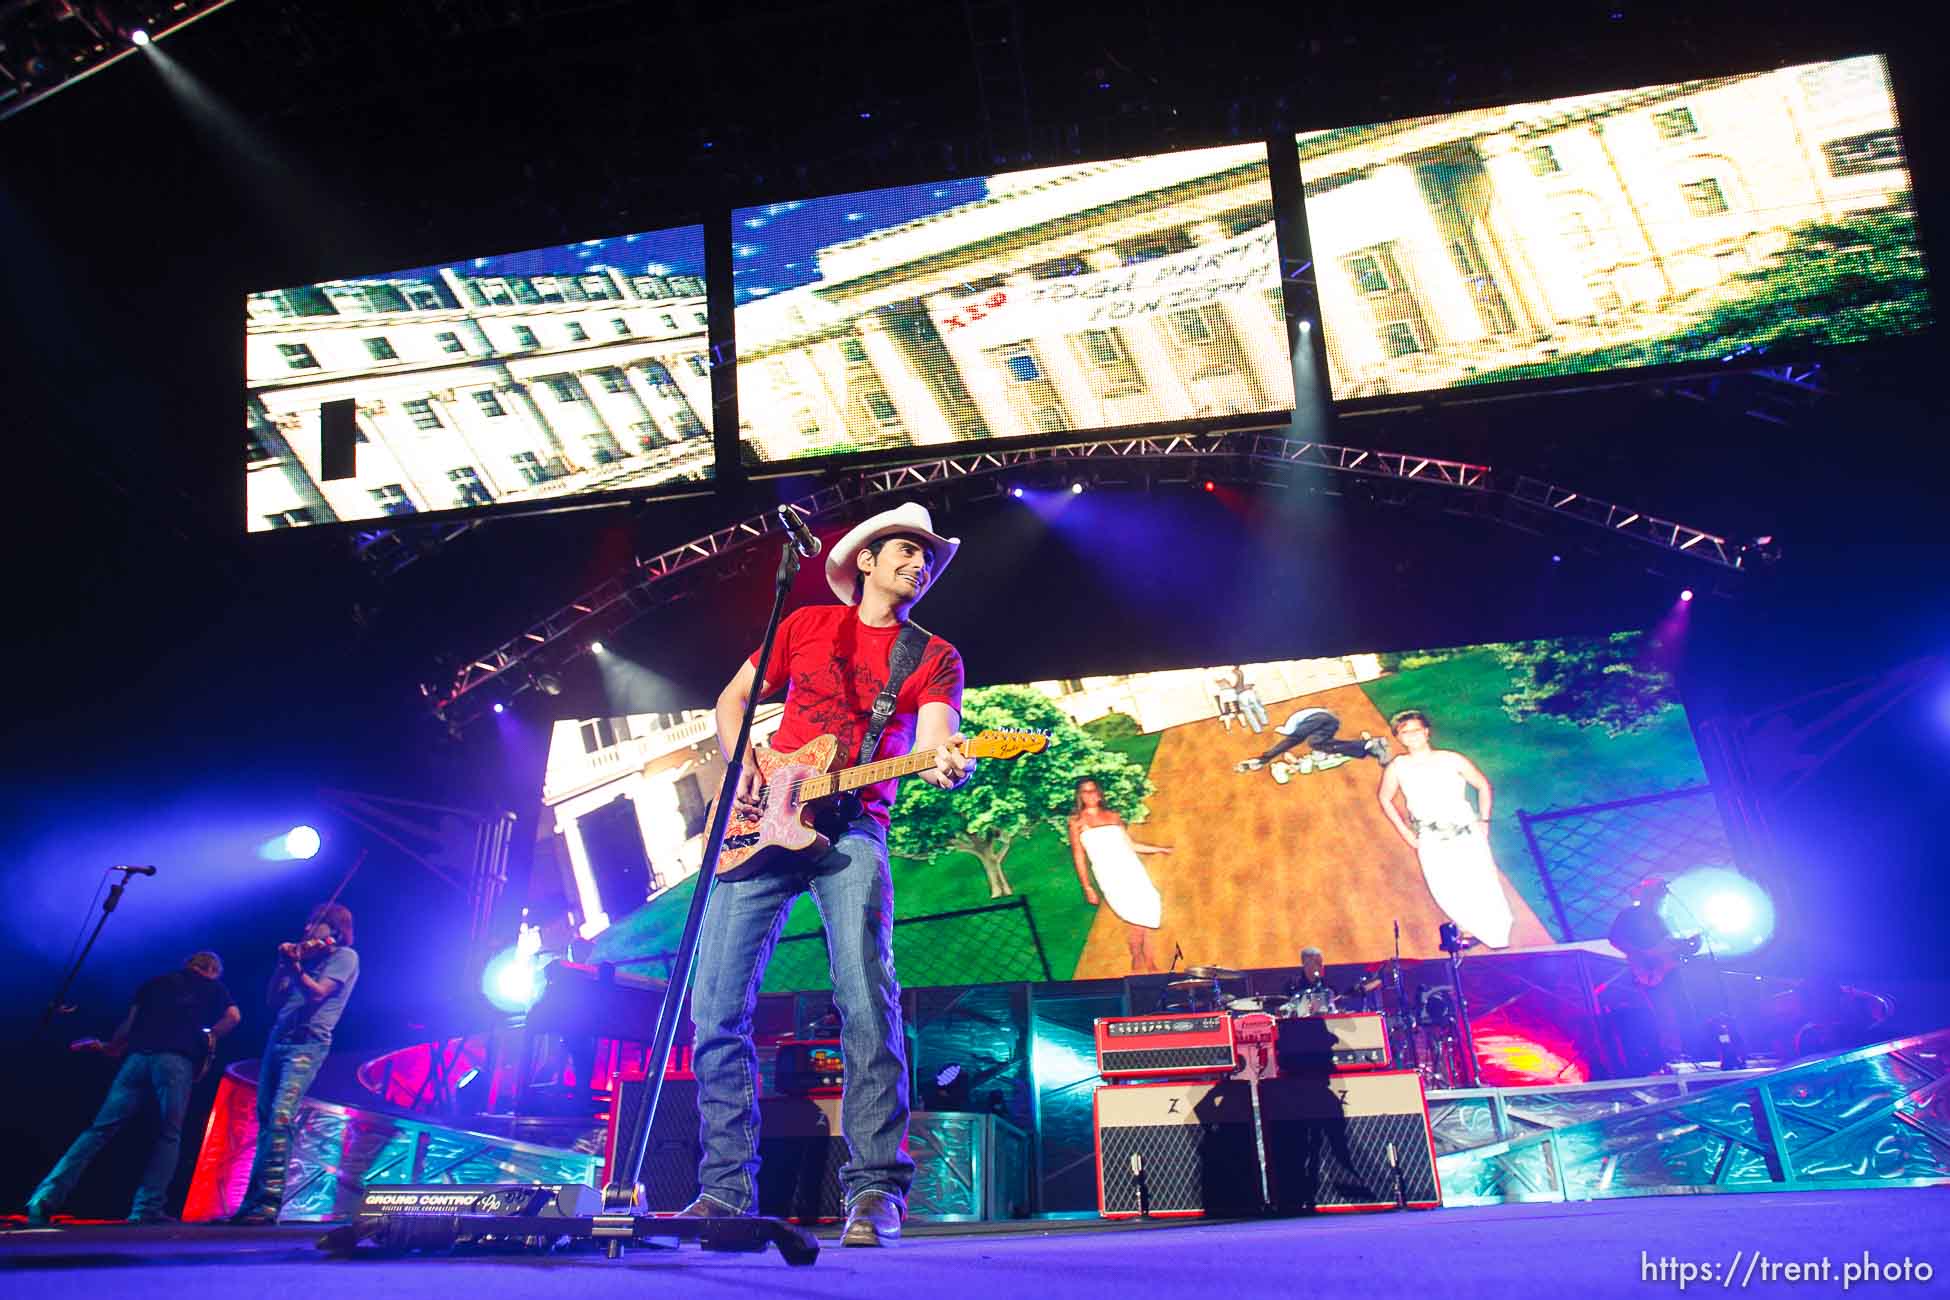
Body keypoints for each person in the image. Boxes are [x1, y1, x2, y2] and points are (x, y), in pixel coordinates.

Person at [684, 502, 972, 1248]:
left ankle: (876, 1188)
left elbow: (938, 735)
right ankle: (722, 1192)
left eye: (928, 558)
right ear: (866, 560)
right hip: (757, 828)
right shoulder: (804, 623)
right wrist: (744, 761)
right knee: (714, 1007)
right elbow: (733, 698)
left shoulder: (932, 655)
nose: (919, 564)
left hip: (852, 831)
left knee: (864, 999)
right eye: (906, 550)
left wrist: (949, 760)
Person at [26, 952, 240, 1225]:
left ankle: (45, 1198)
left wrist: (109, 1047)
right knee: (168, 1134)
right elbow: (234, 1016)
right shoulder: (213, 987)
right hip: (175, 1062)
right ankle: (147, 1208)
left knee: (99, 1130)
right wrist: (210, 1037)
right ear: (211, 969)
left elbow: (127, 1027)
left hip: (136, 1059)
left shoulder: (154, 983)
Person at [228, 903, 359, 1224]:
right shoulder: (306, 957)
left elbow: (318, 995)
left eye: (316, 924)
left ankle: (269, 1203)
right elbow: (273, 1001)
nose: (308, 930)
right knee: (266, 1121)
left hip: (307, 1042)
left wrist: (298, 969)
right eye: (309, 923)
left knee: (281, 1117)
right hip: (280, 1038)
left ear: (335, 929)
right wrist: (283, 966)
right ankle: (251, 1204)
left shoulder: (344, 957)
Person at [1376, 710, 1514, 948]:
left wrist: (1484, 820)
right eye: (1404, 732)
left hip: (1465, 831)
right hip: (1430, 835)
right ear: (1399, 738)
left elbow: (1482, 785)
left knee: (1481, 879)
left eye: (1416, 730)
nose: (1412, 736)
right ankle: (1467, 930)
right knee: (1444, 884)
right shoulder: (1399, 766)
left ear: (1426, 731)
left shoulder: (1451, 758)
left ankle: (1497, 934)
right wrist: (1406, 833)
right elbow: (1385, 799)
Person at [1068, 777, 1174, 973]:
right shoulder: (1076, 823)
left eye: (1093, 791)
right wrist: (1087, 887)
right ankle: (1136, 956)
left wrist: (1159, 849)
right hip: (1110, 875)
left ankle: (1149, 961)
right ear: (1080, 796)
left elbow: (1131, 845)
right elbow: (1078, 856)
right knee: (1133, 915)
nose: (1090, 795)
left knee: (1148, 909)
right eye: (1085, 791)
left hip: (1131, 869)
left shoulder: (1113, 816)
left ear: (1099, 794)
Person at [1235, 705, 1388, 777]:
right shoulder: (1296, 724)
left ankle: (1370, 744)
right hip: (1328, 719)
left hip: (1323, 718)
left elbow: (1290, 741)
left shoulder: (1296, 729)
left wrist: (1264, 758)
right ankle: (1369, 745)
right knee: (1321, 743)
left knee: (1314, 743)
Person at [1282, 945, 1340, 1016]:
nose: (1322, 966)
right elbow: (1286, 1007)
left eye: (1321, 962)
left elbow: (1336, 1006)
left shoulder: (1328, 984)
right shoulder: (1292, 985)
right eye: (1318, 963)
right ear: (1306, 965)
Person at [1232, 666, 1269, 733]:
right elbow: (1250, 684)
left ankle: (1259, 728)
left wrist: (1240, 681)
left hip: (1243, 693)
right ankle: (1263, 723)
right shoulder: (1246, 669)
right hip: (1247, 693)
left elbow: (1236, 687)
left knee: (1250, 712)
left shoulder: (1236, 671)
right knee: (1256, 708)